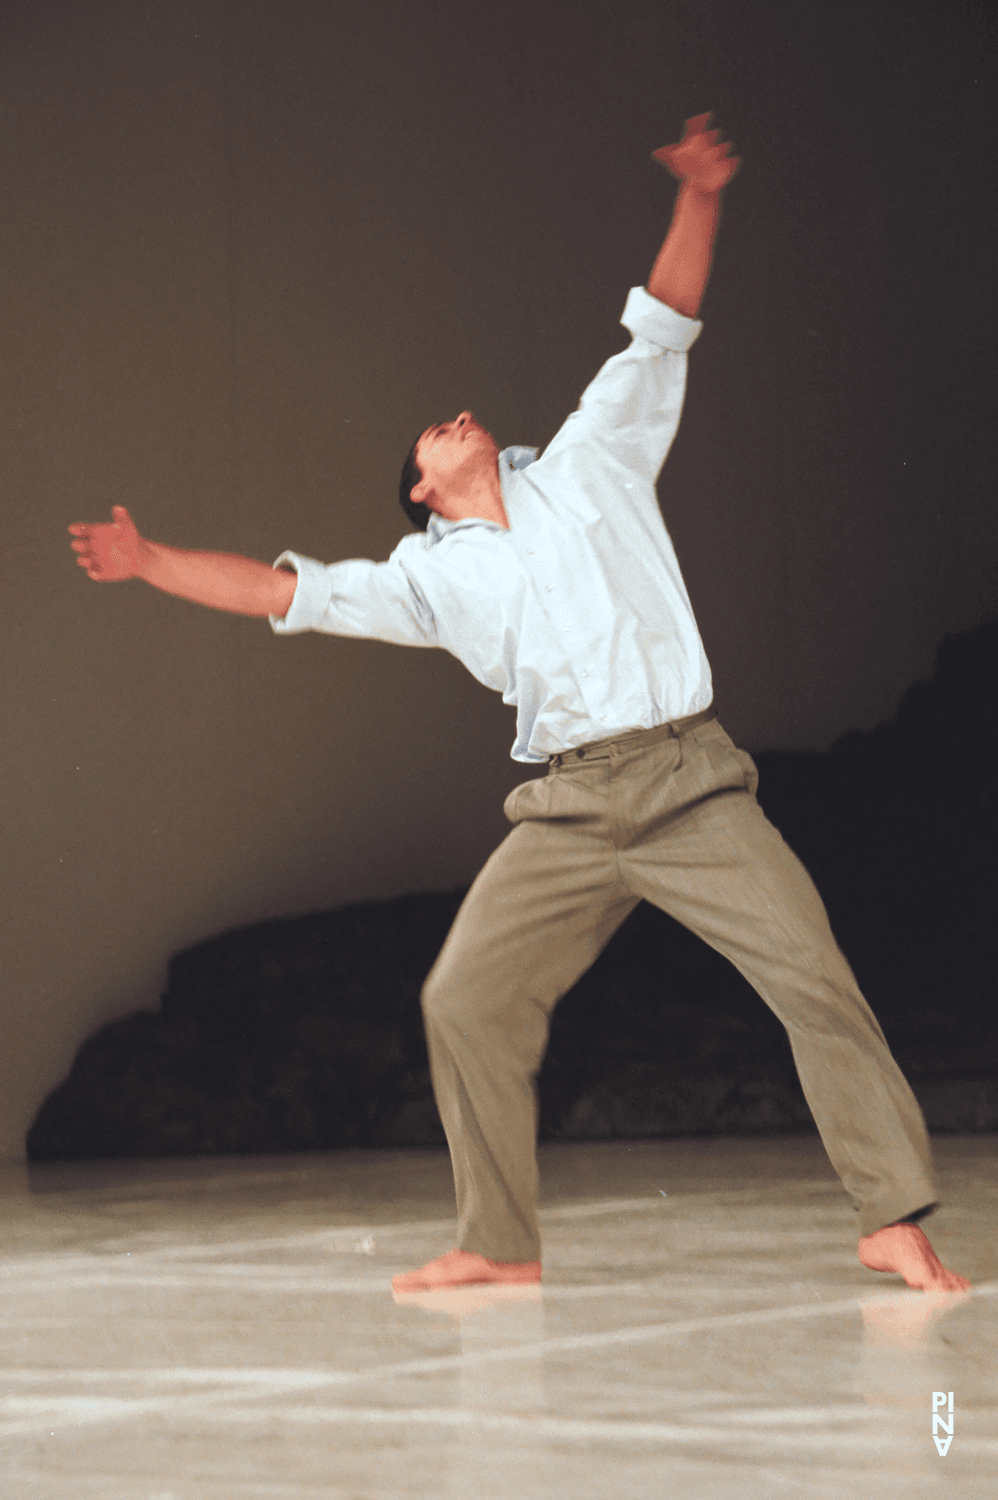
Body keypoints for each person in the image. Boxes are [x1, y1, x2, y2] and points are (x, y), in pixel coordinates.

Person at [69, 115, 969, 1296]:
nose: (452, 417)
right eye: (428, 436)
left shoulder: (594, 457)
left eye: (454, 416)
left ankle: (889, 1215)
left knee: (810, 971)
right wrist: (152, 563)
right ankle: (498, 1240)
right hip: (568, 807)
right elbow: (285, 594)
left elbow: (660, 325)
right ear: (420, 491)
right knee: (465, 996)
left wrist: (698, 195)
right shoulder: (428, 580)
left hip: (686, 780)